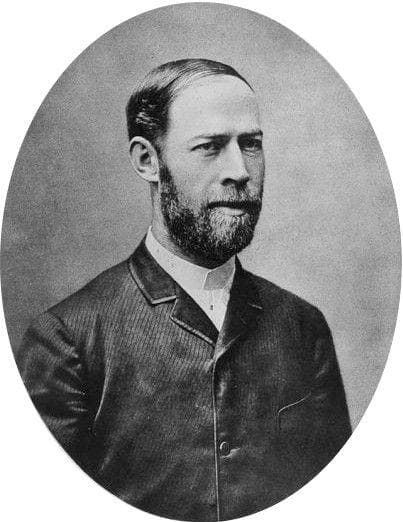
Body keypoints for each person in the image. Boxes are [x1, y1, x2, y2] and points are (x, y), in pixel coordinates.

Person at [16, 59, 351, 522]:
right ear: (147, 161)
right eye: (210, 147)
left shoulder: (302, 326)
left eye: (251, 144)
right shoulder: (68, 340)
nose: (240, 171)